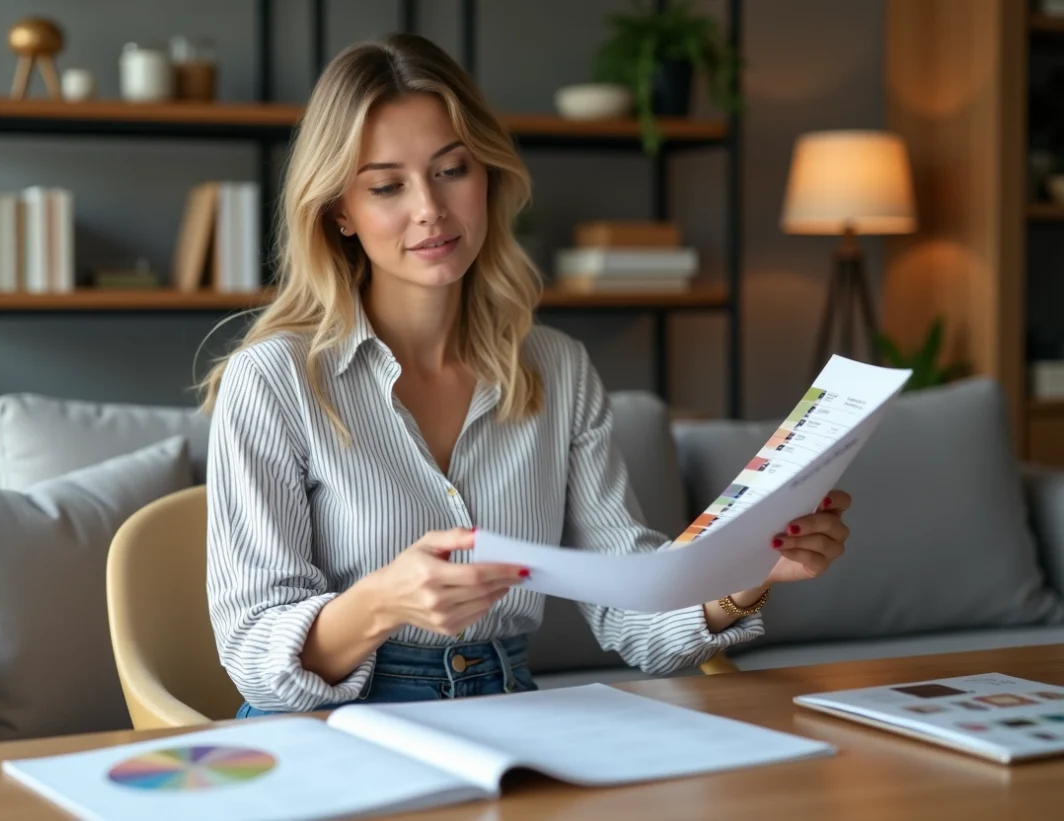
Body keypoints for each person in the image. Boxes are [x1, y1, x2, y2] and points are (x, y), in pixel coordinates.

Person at [198, 33, 851, 718]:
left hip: (510, 712)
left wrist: (745, 575)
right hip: (330, 730)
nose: (430, 208)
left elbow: (632, 614)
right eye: (388, 185)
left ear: (487, 174)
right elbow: (254, 658)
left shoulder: (558, 369)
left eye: (451, 170)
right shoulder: (272, 381)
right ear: (339, 212)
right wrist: (380, 602)